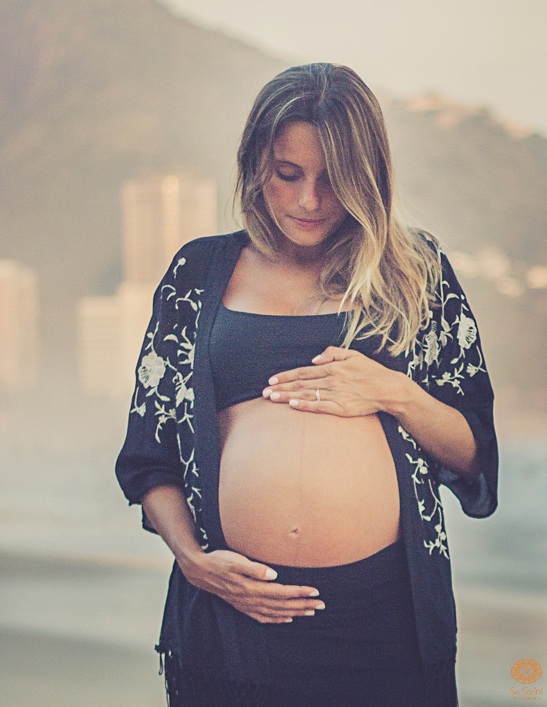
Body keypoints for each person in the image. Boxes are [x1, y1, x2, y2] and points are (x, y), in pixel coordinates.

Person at [115, 63, 498, 707]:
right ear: (254, 166)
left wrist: (392, 391)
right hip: (233, 615)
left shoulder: (415, 273)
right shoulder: (198, 271)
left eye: (334, 180)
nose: (308, 201)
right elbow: (150, 455)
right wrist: (193, 561)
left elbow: (472, 455)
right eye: (287, 174)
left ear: (367, 178)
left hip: (383, 625)